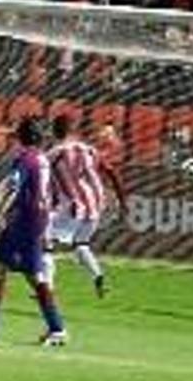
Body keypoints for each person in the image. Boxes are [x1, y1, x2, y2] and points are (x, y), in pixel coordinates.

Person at [0, 117, 68, 346]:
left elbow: (12, 188)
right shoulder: (43, 159)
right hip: (36, 219)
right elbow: (52, 193)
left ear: (21, 137)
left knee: (21, 273)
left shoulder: (25, 159)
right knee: (5, 269)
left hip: (25, 222)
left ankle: (56, 328)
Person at [44, 114, 127, 297]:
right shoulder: (90, 150)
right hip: (96, 205)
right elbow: (111, 172)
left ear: (53, 131)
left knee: (45, 243)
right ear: (72, 130)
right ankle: (98, 276)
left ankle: (46, 289)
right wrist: (122, 201)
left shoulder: (54, 153)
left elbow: (43, 179)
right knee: (81, 244)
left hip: (73, 206)